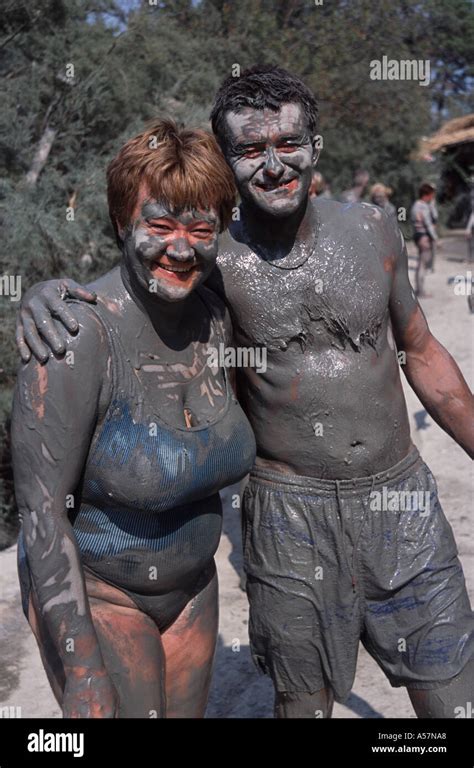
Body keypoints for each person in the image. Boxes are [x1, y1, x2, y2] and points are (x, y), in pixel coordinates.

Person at [16, 66, 474, 719]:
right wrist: (43, 295)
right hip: (289, 513)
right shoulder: (213, 262)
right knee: (302, 701)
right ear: (229, 161)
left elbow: (423, 352)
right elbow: (135, 288)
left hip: (400, 498)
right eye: (250, 150)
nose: (274, 164)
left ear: (315, 145)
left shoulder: (374, 230)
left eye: (288, 142)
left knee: (453, 692)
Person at [11, 119, 256, 718]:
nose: (180, 247)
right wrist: (83, 666)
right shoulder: (75, 338)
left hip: (194, 589)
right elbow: (42, 515)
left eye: (200, 229)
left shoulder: (219, 315)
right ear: (122, 223)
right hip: (101, 596)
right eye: (159, 225)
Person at [410, 182, 439, 297]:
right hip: (424, 237)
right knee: (422, 264)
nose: (433, 197)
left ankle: (419, 289)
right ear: (427, 194)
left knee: (420, 263)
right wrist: (435, 238)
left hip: (418, 235)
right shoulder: (423, 206)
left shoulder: (415, 205)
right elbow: (429, 223)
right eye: (432, 194)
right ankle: (421, 291)